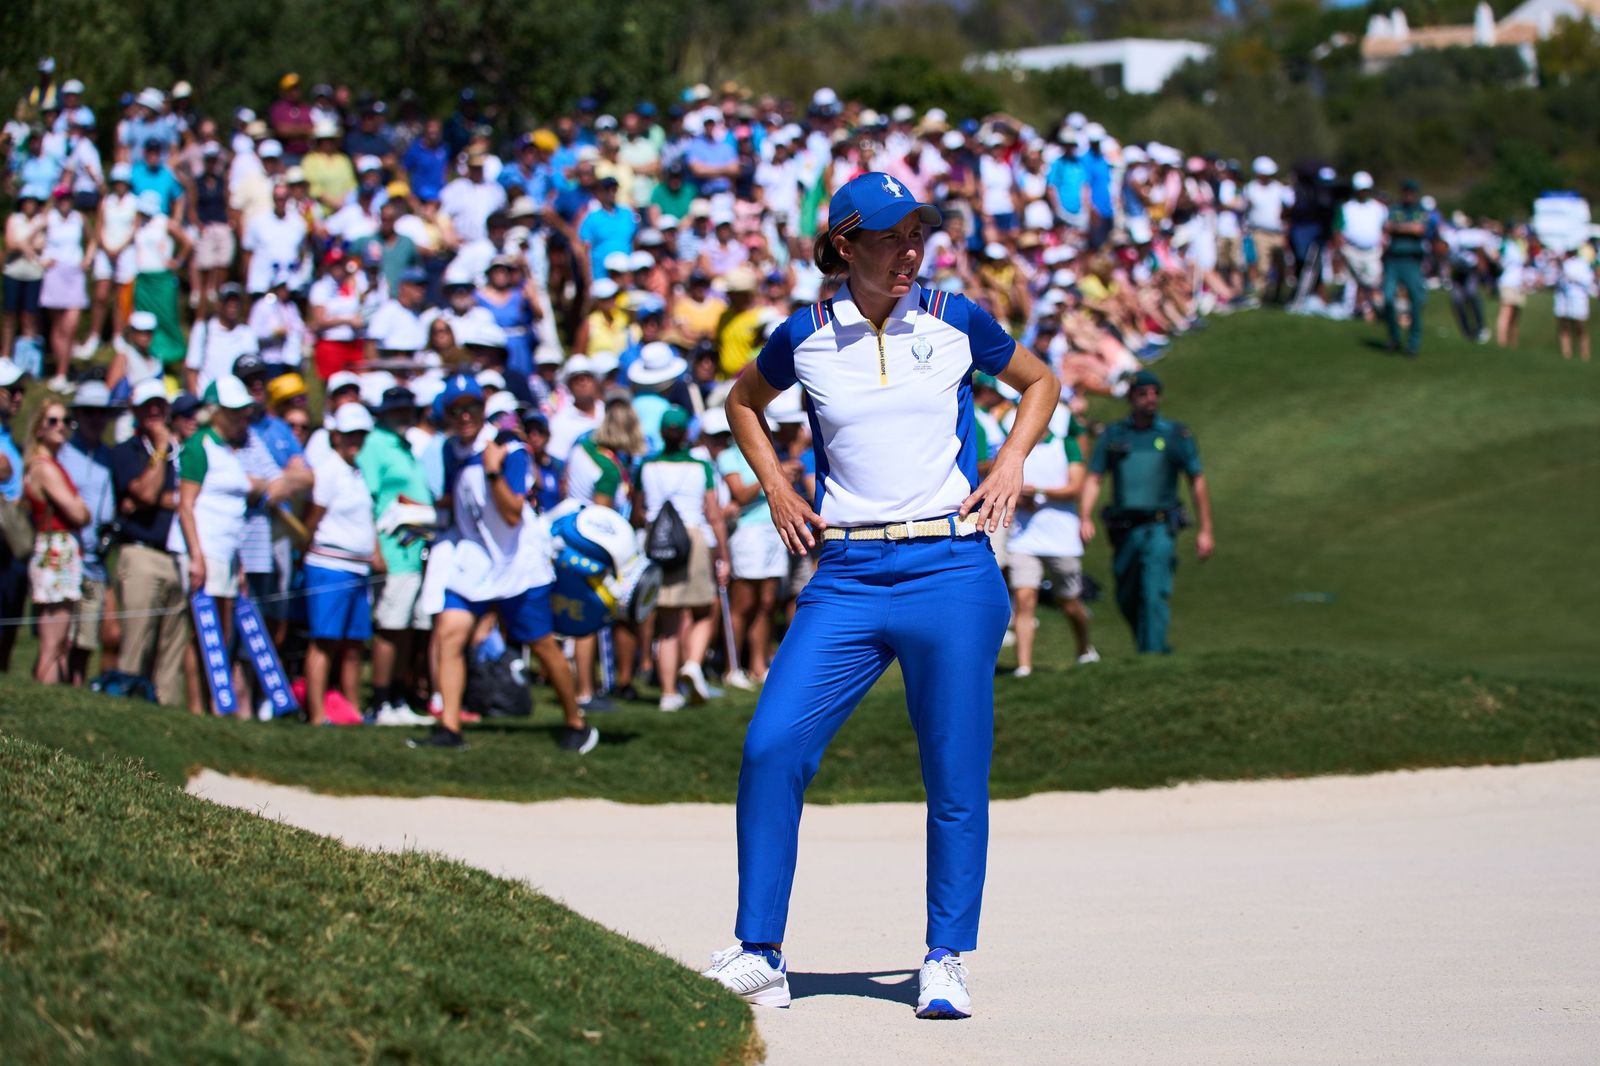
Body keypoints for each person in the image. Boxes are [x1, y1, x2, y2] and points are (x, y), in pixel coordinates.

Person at [704, 172, 1059, 1019]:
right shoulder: (805, 336)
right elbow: (741, 402)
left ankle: (944, 957)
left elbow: (1040, 383)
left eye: (918, 236)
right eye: (893, 237)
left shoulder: (955, 318)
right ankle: (761, 953)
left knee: (954, 772)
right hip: (848, 577)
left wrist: (1010, 461)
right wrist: (778, 489)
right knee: (770, 747)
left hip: (951, 567)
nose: (910, 252)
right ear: (844, 247)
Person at [409, 375, 597, 753]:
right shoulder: (450, 450)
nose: (465, 416)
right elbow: (458, 501)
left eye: (472, 408)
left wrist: (494, 471)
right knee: (449, 634)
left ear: (483, 408)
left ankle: (575, 722)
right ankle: (449, 726)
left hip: (518, 564)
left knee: (542, 645)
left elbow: (512, 513)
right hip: (474, 560)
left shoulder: (508, 450)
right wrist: (413, 514)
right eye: (457, 410)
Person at [1079, 370, 1214, 655]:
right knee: (1127, 595)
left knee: (1153, 592)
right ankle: (1149, 648)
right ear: (1131, 397)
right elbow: (1094, 478)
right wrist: (1084, 516)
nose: (1150, 399)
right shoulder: (1115, 435)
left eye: (1155, 393)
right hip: (1124, 529)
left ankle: (1153, 655)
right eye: (1143, 393)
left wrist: (1206, 529)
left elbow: (1197, 481)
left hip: (1160, 526)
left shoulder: (1175, 435)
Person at [169, 376, 259, 717]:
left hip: (225, 552)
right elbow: (186, 505)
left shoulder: (226, 450)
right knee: (203, 634)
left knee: (220, 633)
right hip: (203, 550)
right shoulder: (198, 446)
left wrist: (239, 565)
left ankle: (215, 706)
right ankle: (199, 708)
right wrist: (196, 556)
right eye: (233, 412)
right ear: (215, 412)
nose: (241, 418)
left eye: (243, 412)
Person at [639, 405, 730, 712]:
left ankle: (667, 694)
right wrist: (724, 555)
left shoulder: (646, 465)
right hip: (691, 537)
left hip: (657, 538)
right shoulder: (700, 467)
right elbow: (713, 514)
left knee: (668, 623)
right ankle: (692, 662)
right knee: (704, 610)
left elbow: (638, 511)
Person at [108, 378, 190, 707]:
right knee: (136, 641)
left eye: (160, 405)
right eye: (147, 407)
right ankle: (126, 703)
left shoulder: (183, 452)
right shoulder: (125, 452)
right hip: (139, 555)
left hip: (175, 556)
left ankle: (166, 713)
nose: (155, 412)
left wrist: (157, 498)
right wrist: (159, 450)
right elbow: (143, 491)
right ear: (135, 411)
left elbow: (185, 498)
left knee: (171, 647)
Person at [357, 386, 436, 725]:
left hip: (414, 549)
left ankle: (398, 697)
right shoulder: (375, 444)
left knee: (407, 628)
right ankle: (380, 700)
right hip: (392, 550)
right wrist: (374, 548)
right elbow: (368, 498)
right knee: (391, 627)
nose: (405, 415)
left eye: (409, 409)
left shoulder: (405, 445)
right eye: (398, 410)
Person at [303, 403, 382, 725]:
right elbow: (312, 519)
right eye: (349, 434)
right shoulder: (329, 469)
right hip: (329, 564)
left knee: (353, 643)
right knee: (324, 641)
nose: (355, 441)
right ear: (335, 435)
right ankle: (316, 713)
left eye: (360, 434)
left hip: (358, 567)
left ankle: (351, 712)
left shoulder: (357, 469)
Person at [1005, 405, 1096, 676]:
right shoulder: (1014, 448)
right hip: (1023, 536)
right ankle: (1024, 666)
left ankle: (1084, 648)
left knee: (1069, 602)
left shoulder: (1065, 444)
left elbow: (1076, 486)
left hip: (1060, 537)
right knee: (1024, 598)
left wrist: (1040, 492)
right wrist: (1019, 496)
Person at [710, 404, 784, 688]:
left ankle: (757, 665)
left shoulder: (770, 453)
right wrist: (772, 479)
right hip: (748, 532)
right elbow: (740, 494)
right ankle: (732, 667)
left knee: (766, 602)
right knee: (744, 602)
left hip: (772, 529)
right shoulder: (729, 455)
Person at [23, 399, 91, 684]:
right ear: (39, 428)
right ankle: (46, 691)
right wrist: (81, 508)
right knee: (53, 640)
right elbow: (78, 512)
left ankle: (55, 692)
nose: (60, 427)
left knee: (61, 639)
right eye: (52, 421)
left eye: (65, 421)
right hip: (55, 548)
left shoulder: (53, 464)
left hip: (60, 547)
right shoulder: (44, 467)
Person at [58, 382, 122, 684]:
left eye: (102, 413)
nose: (96, 419)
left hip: (97, 559)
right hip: (68, 554)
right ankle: (52, 689)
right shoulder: (64, 452)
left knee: (86, 639)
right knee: (62, 635)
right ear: (78, 415)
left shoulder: (109, 457)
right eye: (89, 412)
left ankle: (75, 691)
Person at [39, 190, 91, 390]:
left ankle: (63, 370)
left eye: (68, 198)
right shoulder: (49, 218)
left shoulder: (79, 219)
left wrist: (88, 257)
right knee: (58, 327)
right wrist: (41, 259)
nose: (65, 202)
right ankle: (62, 373)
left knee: (70, 327)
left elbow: (93, 239)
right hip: (54, 274)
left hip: (75, 275)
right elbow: (28, 237)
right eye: (61, 198)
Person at [0, 360, 29, 673]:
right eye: (11, 391)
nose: (19, 397)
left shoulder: (10, 436)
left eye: (21, 390)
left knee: (9, 627)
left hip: (13, 543)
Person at [1381, 179, 1429, 357]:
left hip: (1412, 261)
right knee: (1387, 298)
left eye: (1411, 192)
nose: (1408, 195)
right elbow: (1387, 227)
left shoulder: (1420, 210)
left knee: (1416, 301)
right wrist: (1406, 228)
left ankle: (1413, 343)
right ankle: (1393, 337)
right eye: (1405, 192)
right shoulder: (1395, 209)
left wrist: (1398, 228)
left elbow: (1419, 229)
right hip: (1394, 260)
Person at [185, 283, 259, 395]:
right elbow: (192, 369)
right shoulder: (203, 329)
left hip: (239, 398)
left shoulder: (247, 333)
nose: (232, 306)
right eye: (228, 302)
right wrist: (197, 401)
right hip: (210, 399)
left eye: (236, 302)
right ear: (219, 304)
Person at [1554, 246, 1595, 363]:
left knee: (1580, 327)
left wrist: (1572, 277)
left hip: (1578, 297)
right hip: (1564, 298)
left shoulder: (1582, 263)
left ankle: (1585, 355)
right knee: (1564, 327)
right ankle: (1566, 354)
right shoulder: (1563, 262)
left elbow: (1587, 280)